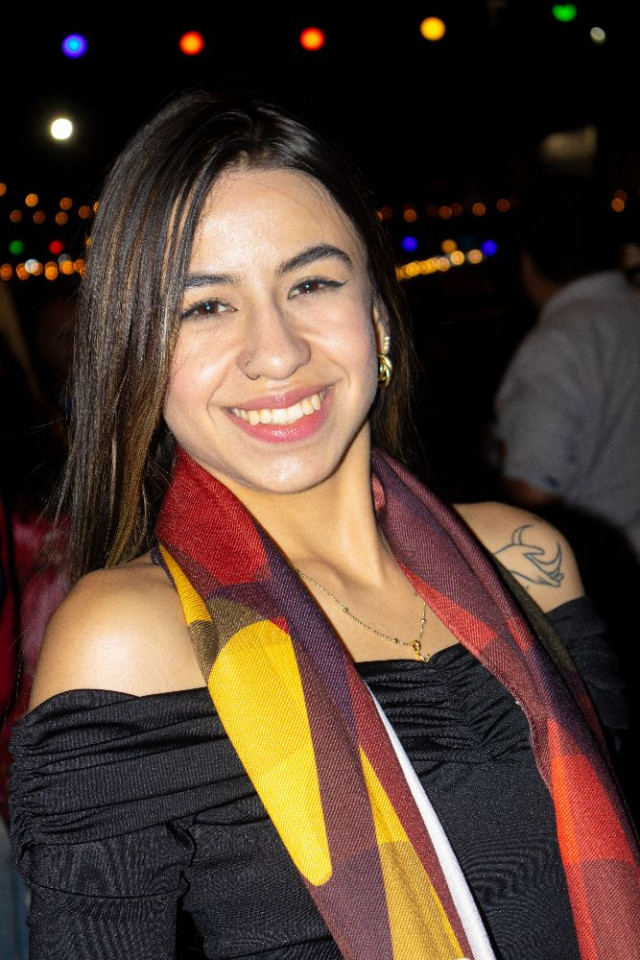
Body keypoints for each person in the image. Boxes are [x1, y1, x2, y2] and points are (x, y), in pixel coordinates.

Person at [7, 90, 640, 960]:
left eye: (311, 284)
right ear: (143, 353)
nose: (277, 353)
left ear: (375, 316)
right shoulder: (127, 640)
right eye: (206, 306)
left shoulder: (527, 561)